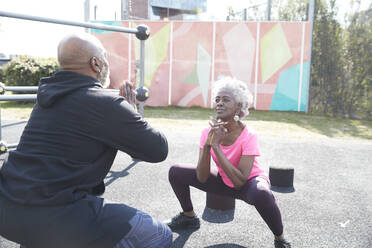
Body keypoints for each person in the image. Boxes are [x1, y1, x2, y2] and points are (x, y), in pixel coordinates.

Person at [0, 33, 172, 248]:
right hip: (54, 215)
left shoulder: (46, 99)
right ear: (96, 63)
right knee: (159, 234)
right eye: (105, 57)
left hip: (8, 209)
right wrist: (130, 113)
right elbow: (158, 149)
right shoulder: (104, 104)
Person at [166, 77, 291, 248]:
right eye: (217, 99)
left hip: (248, 183)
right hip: (224, 180)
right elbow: (201, 177)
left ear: (239, 106)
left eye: (225, 100)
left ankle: (280, 237)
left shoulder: (249, 135)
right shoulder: (207, 132)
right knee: (176, 171)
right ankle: (189, 217)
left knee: (262, 193)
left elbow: (240, 182)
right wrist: (209, 145)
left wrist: (217, 147)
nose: (219, 103)